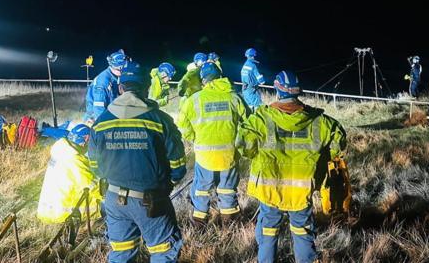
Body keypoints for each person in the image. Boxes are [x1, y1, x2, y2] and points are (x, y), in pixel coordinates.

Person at [236, 71, 347, 263]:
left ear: (277, 91)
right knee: (303, 232)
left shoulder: (261, 119)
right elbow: (339, 144)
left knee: (268, 231)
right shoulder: (320, 122)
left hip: (270, 190)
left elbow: (243, 145)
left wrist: (254, 154)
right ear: (298, 92)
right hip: (301, 192)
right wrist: (322, 158)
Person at [88, 61, 187, 262]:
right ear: (146, 88)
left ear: (120, 87)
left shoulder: (101, 122)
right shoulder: (160, 120)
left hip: (114, 199)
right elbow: (177, 163)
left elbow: (94, 165)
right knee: (162, 251)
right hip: (150, 200)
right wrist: (170, 182)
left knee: (121, 253)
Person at [177, 62, 248, 226]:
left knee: (201, 189)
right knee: (227, 188)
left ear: (203, 80)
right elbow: (248, 123)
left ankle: (199, 222)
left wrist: (194, 137)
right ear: (220, 76)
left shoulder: (194, 99)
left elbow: (182, 125)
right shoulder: (234, 97)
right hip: (229, 154)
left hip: (204, 156)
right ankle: (230, 223)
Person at [37, 124, 102, 224]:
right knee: (101, 200)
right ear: (86, 139)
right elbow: (92, 185)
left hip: (46, 210)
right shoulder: (74, 159)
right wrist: (110, 195)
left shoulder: (62, 151)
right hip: (61, 214)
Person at [84, 49, 128, 124]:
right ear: (119, 68)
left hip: (110, 115)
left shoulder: (115, 77)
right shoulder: (103, 82)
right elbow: (99, 109)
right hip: (95, 119)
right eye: (124, 68)